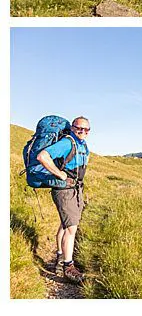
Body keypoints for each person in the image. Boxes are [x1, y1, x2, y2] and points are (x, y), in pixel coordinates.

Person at [35, 116, 91, 283]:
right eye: (78, 128)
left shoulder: (83, 145)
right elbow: (42, 156)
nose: (82, 131)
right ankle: (69, 267)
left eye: (86, 129)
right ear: (72, 128)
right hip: (64, 189)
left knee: (65, 224)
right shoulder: (67, 143)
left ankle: (60, 256)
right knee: (71, 229)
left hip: (75, 188)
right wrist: (59, 174)